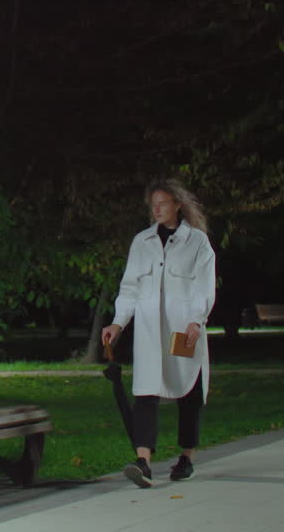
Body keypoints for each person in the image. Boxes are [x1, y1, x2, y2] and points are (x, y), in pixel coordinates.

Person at [101, 178, 216, 488]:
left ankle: (186, 457)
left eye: (163, 203)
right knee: (146, 392)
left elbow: (203, 287)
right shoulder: (142, 242)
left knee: (189, 390)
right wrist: (118, 322)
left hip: (183, 331)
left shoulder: (197, 243)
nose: (157, 209)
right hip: (150, 332)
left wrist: (196, 320)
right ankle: (144, 461)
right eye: (153, 205)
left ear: (178, 204)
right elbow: (130, 287)